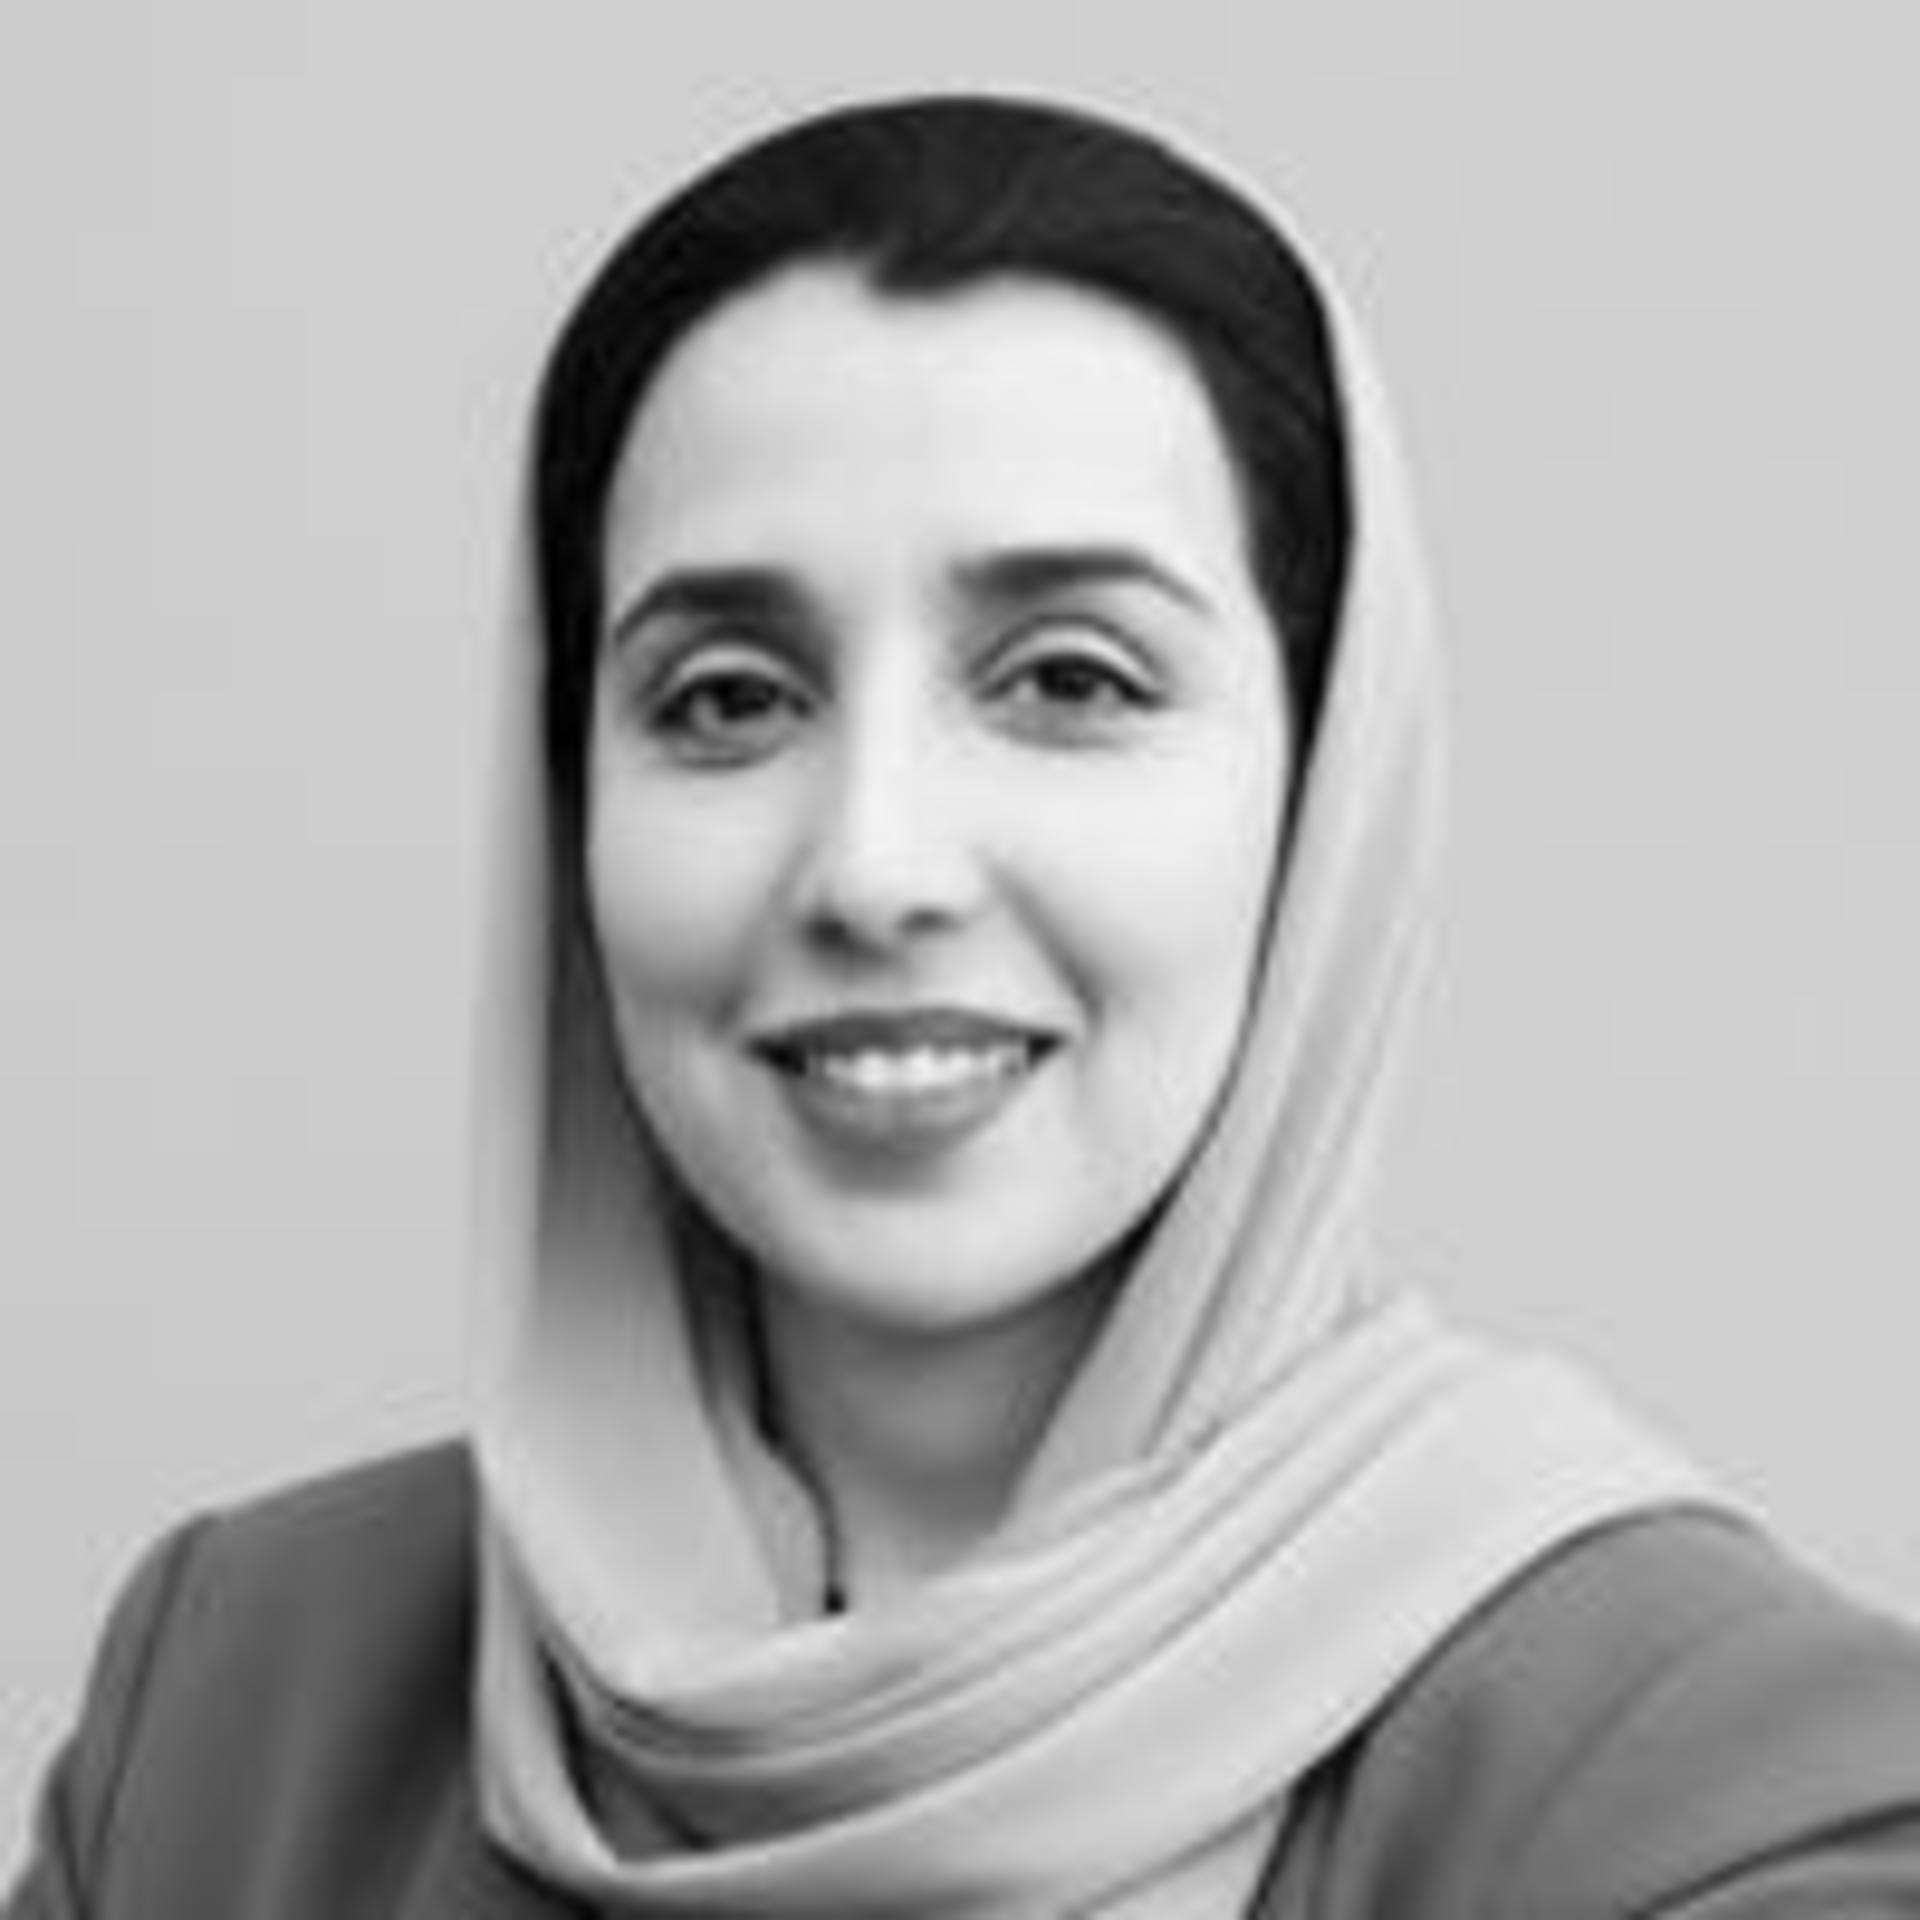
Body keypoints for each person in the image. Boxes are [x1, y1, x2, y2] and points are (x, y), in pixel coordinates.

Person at [11, 93, 1920, 1920]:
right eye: (729, 699)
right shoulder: (238, 1707)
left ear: (1330, 791)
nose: (875, 866)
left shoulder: (1720, 1790)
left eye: (1071, 681)